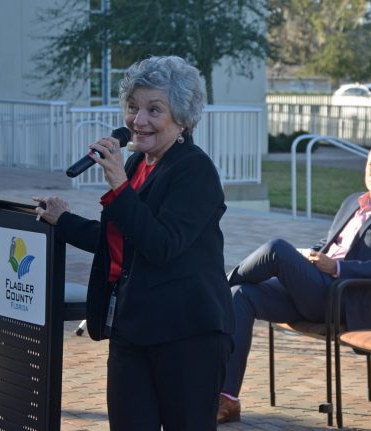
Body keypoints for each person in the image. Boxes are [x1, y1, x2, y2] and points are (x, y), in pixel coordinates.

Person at [34, 56, 234, 431]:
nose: (138, 121)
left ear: (182, 119)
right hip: (133, 325)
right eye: (133, 107)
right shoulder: (137, 164)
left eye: (154, 110)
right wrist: (63, 221)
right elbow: (122, 241)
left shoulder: (195, 170)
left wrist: (119, 188)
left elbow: (161, 244)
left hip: (188, 333)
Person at [217, 140, 371, 423]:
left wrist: (337, 267)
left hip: (344, 298)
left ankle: (216, 285)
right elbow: (327, 244)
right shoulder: (353, 200)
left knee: (277, 248)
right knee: (242, 294)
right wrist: (309, 256)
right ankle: (227, 398)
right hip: (315, 289)